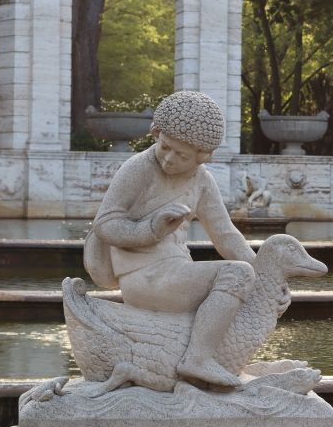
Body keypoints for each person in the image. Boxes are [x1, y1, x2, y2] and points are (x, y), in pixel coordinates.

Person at [88, 91, 268, 388]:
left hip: (174, 272)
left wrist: (266, 277)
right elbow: (105, 224)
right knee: (236, 274)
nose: (169, 159)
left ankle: (203, 358)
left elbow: (225, 236)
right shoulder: (138, 169)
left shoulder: (202, 180)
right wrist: (151, 229)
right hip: (141, 276)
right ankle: (196, 359)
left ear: (202, 157)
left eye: (181, 155)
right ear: (156, 134)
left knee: (245, 275)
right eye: (165, 147)